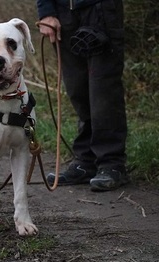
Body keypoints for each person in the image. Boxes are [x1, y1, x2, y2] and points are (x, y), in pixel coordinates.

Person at [35, 0, 129, 191]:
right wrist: (46, 12)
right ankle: (86, 162)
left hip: (100, 9)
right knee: (77, 89)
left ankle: (111, 164)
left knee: (103, 91)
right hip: (63, 13)